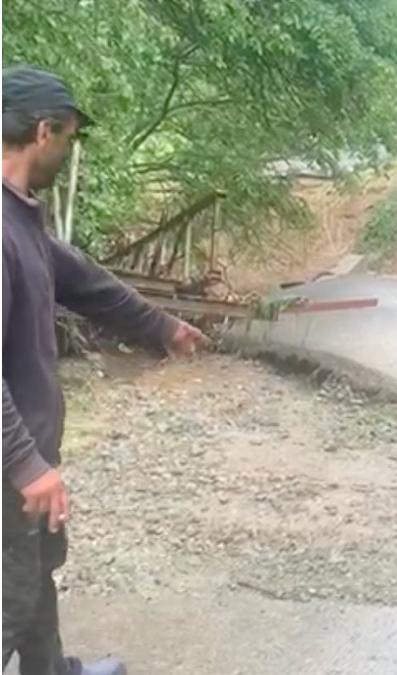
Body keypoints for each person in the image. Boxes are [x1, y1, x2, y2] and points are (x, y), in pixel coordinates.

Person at [3, 66, 209, 675]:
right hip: (9, 463)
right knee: (10, 595)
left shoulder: (21, 219)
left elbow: (87, 283)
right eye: (66, 138)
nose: (67, 152)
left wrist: (162, 329)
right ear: (44, 132)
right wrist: (25, 464)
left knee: (35, 572)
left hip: (23, 456)